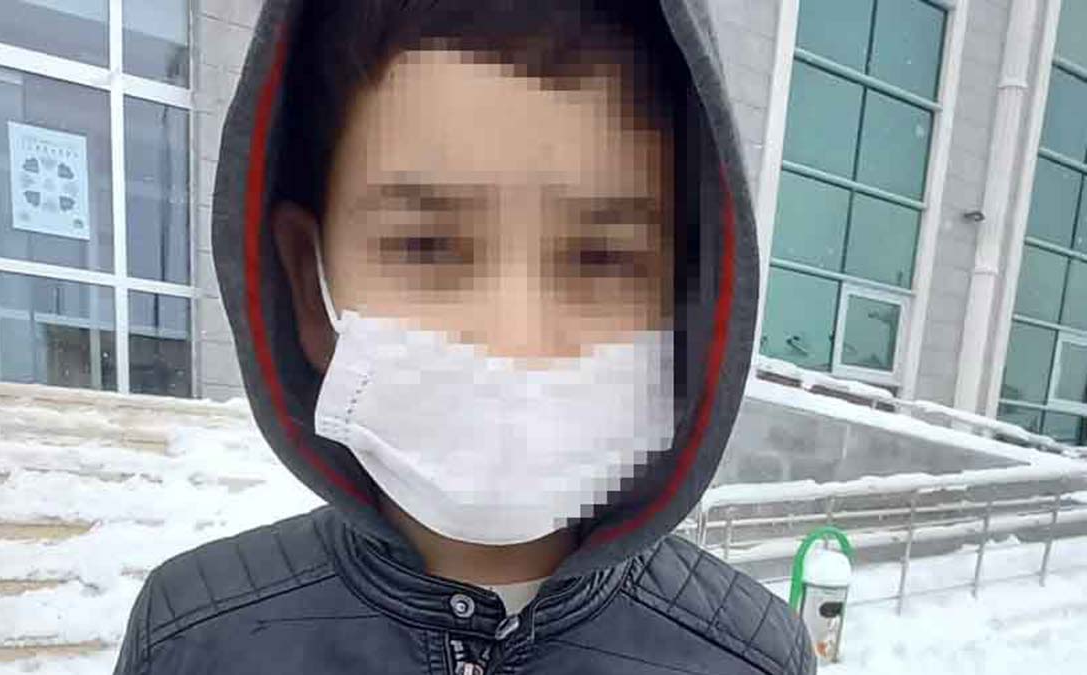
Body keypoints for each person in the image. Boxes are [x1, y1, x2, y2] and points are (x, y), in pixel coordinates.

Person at [113, 1, 815, 673]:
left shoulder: (750, 658)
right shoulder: (193, 639)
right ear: (308, 285)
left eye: (601, 256)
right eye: (424, 245)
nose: (513, 338)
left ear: (685, 307)